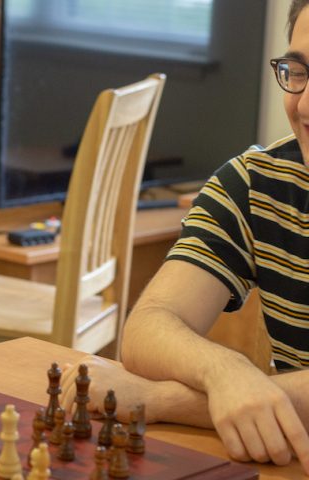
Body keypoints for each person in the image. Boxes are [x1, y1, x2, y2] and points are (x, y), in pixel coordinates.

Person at [60, 0, 309, 475]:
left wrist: (161, 399)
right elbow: (151, 324)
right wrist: (225, 370)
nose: (304, 104)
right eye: (298, 70)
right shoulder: (253, 183)